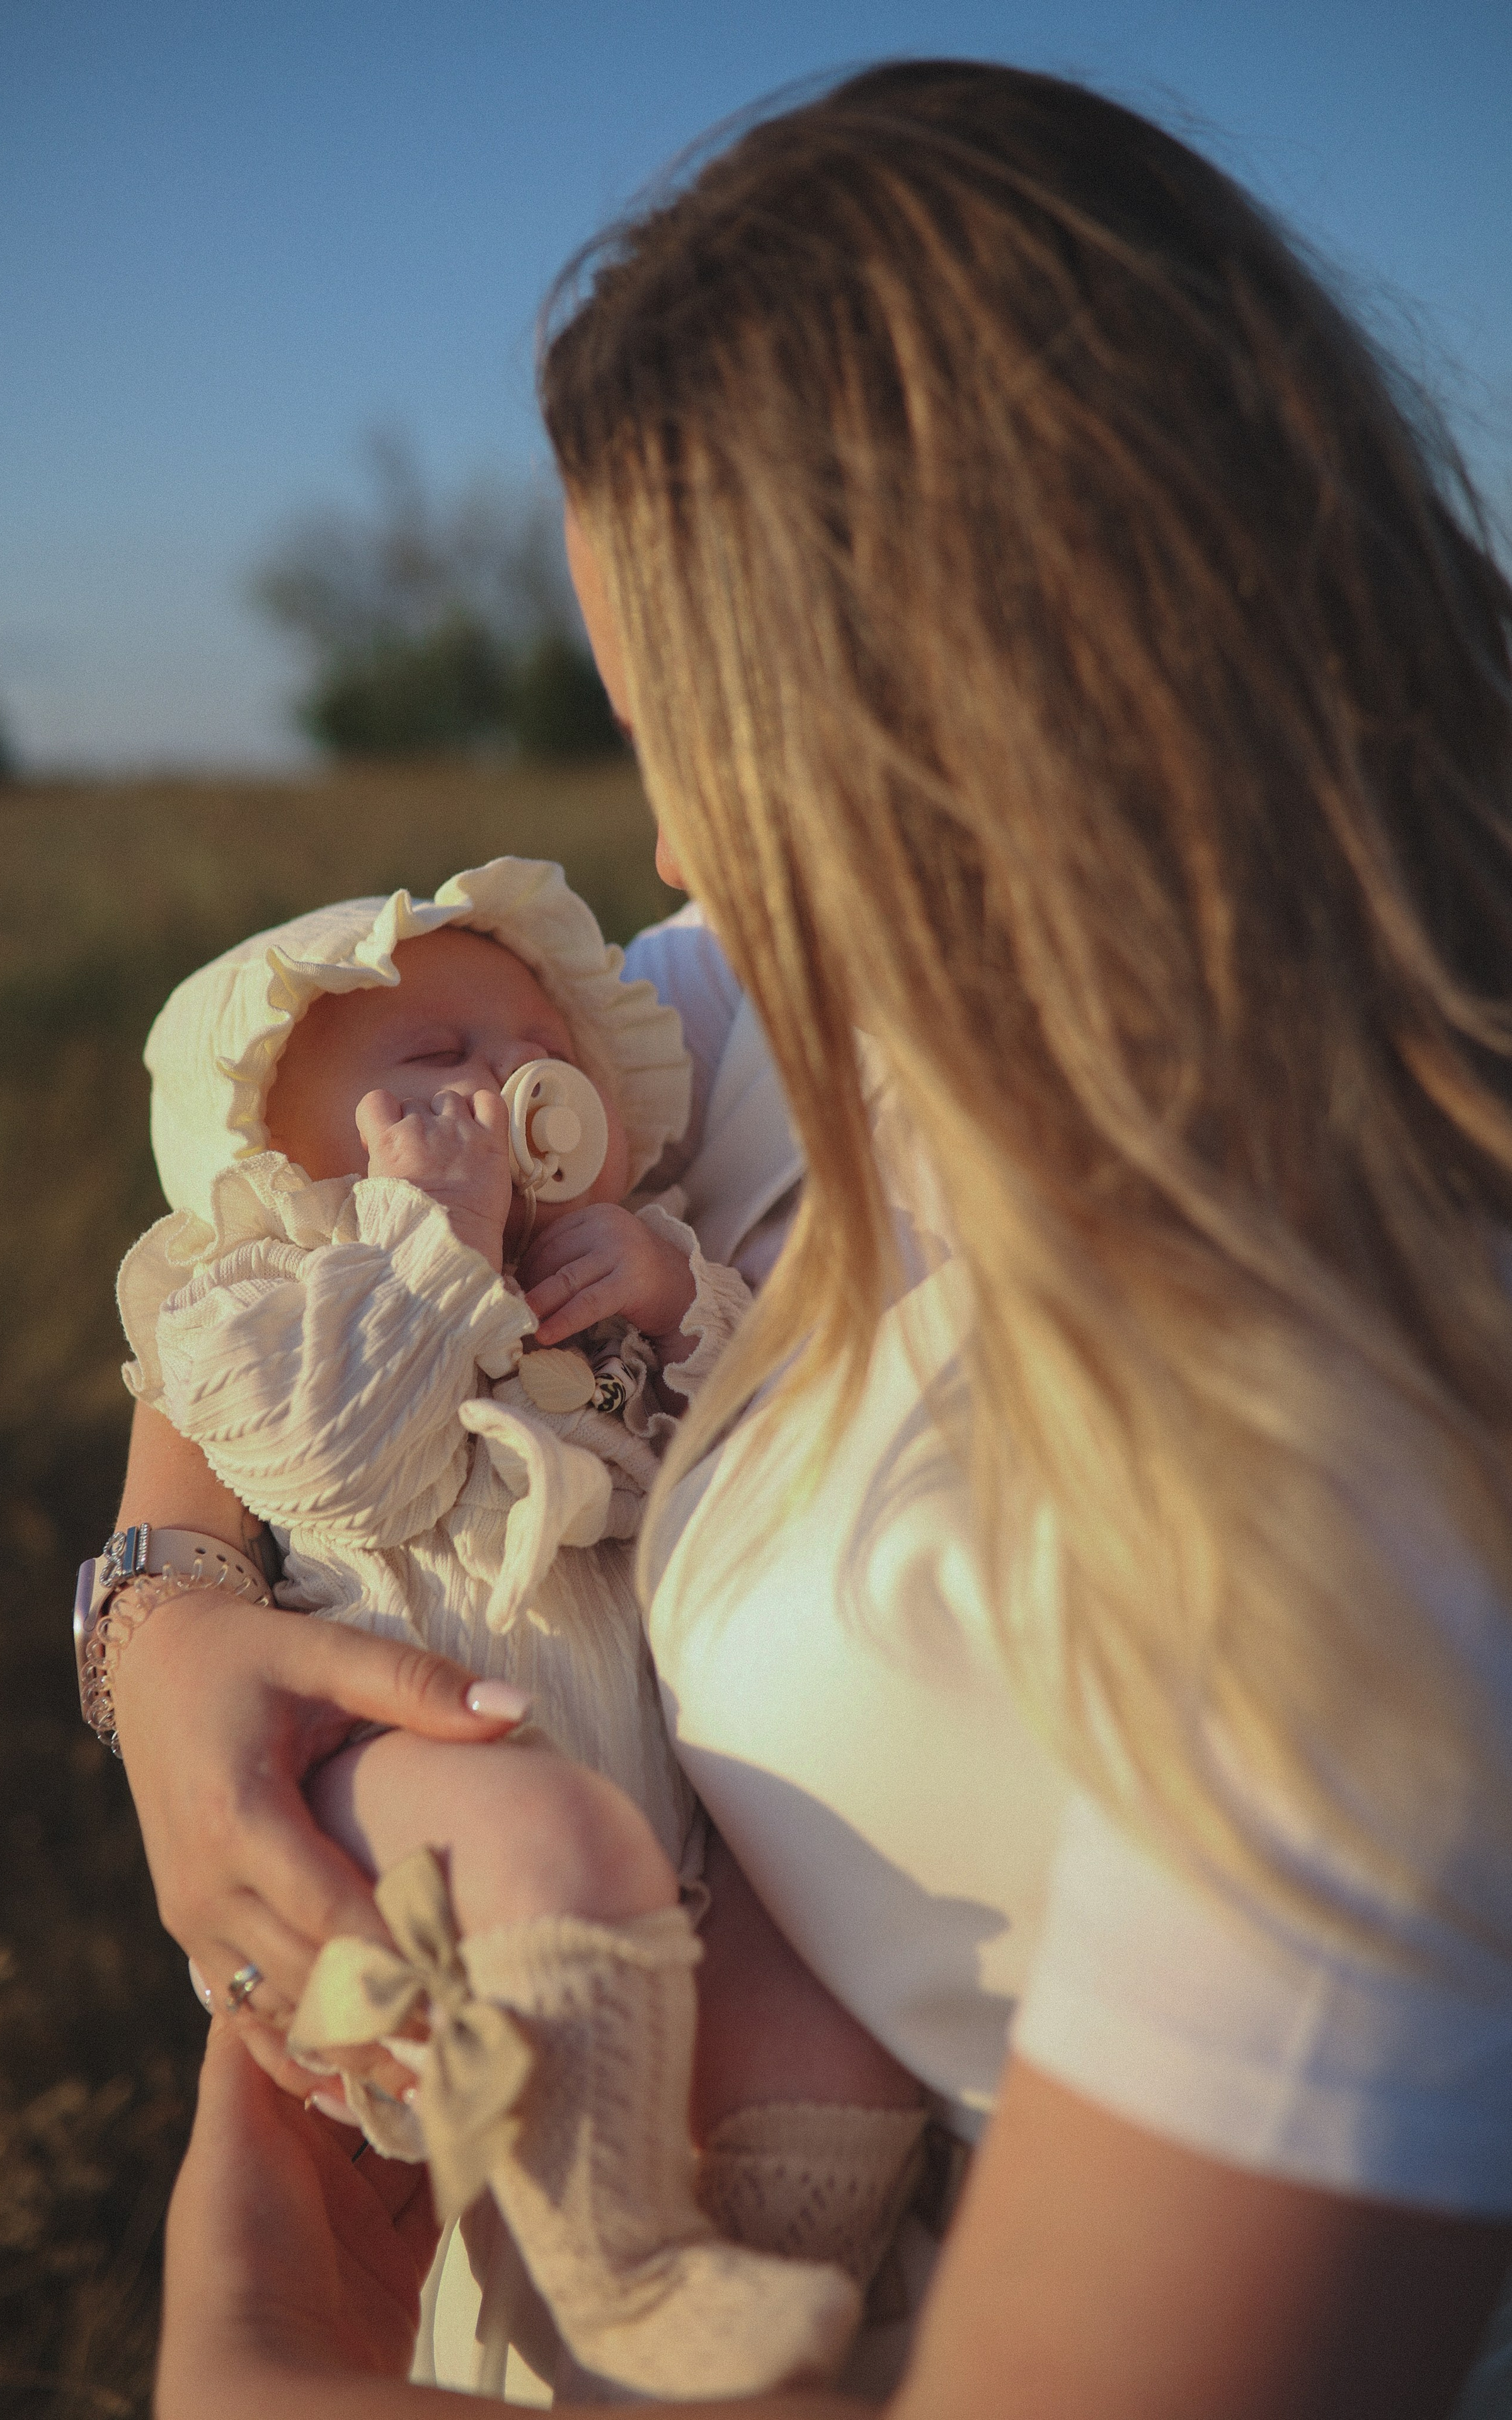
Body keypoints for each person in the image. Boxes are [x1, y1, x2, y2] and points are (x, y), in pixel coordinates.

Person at [118, 59, 1512, 2417]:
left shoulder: (1372, 1478)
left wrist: (253, 2340)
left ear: (964, 709)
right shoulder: (794, 1001)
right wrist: (160, 1631)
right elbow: (277, 1208)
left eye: (698, 734)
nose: (669, 847)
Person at [100, 858, 922, 2396]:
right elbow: (332, 1466)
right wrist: (429, 1240)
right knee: (550, 1844)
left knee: (822, 1974)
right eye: (432, 1061)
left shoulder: (622, 1244)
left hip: (671, 1805)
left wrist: (676, 1298)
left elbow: (756, 1448)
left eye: (536, 1050)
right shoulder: (266, 1296)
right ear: (272, 1143)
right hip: (407, 1764)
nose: (497, 1086)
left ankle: (758, 2285)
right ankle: (610, 2270)